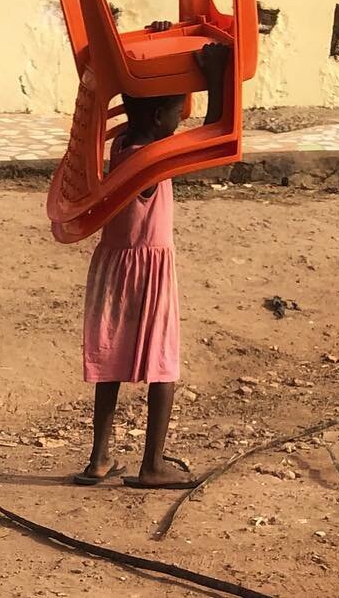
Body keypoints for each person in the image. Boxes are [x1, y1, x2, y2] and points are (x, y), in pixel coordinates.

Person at [74, 26, 232, 489]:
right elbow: (215, 134)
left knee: (112, 365)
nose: (181, 118)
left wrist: (163, 51)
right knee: (163, 362)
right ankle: (152, 464)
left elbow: (155, 104)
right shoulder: (152, 160)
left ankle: (99, 459)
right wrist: (216, 76)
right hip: (148, 270)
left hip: (113, 265)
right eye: (176, 109)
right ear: (162, 117)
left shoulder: (122, 146)